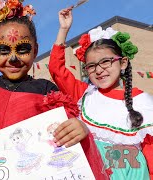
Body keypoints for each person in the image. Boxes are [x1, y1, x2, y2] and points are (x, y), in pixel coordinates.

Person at [0, 1, 108, 179]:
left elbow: (66, 131)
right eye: (3, 50)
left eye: (22, 49)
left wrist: (79, 128)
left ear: (35, 50)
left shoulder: (46, 90)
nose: (13, 58)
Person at [49, 7, 153, 179]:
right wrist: (63, 29)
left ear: (123, 63)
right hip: (94, 172)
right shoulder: (85, 94)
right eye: (91, 66)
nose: (99, 70)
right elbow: (56, 69)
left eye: (106, 61)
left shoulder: (144, 102)